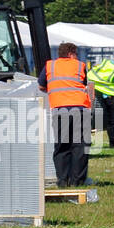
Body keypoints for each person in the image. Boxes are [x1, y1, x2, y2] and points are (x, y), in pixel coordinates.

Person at [38, 42, 95, 187]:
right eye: (76, 54)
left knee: (62, 146)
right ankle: (77, 181)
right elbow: (88, 86)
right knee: (80, 146)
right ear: (71, 54)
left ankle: (63, 181)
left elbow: (41, 86)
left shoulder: (49, 66)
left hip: (59, 110)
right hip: (79, 109)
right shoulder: (80, 66)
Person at [90, 48, 114, 148]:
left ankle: (113, 142)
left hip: (103, 96)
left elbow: (94, 69)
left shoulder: (105, 64)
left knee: (109, 120)